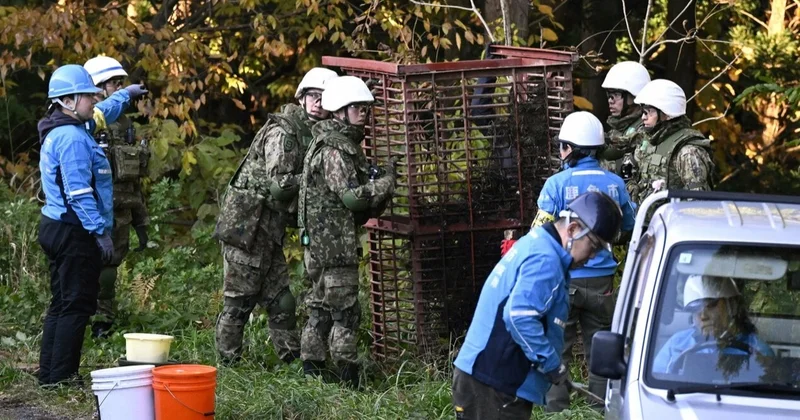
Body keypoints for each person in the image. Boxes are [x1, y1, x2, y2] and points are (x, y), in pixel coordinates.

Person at [452, 191, 623, 419]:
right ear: (572, 230)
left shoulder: (538, 243)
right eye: (593, 246)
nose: (593, 257)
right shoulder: (546, 259)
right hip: (494, 383)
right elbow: (519, 317)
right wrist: (552, 364)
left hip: (487, 378)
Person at [214, 67, 338, 364]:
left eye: (324, 97)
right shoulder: (285, 131)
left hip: (268, 229)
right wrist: (315, 178)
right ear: (302, 97)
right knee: (239, 300)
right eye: (313, 96)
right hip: (248, 226)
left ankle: (291, 361)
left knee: (281, 300)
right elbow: (280, 185)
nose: (318, 103)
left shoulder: (316, 132)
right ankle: (228, 365)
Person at [533, 112, 636, 412]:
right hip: (603, 281)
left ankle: (557, 410)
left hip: (565, 278)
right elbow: (628, 226)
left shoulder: (555, 184)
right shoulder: (616, 184)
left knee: (557, 344)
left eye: (563, 145)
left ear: (570, 149)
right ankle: (599, 409)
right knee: (600, 349)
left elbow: (540, 232)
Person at [298, 75, 396, 387]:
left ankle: (313, 374)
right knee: (344, 313)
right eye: (357, 108)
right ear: (340, 111)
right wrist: (385, 183)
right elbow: (352, 198)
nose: (363, 113)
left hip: (320, 243)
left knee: (322, 308)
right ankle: (347, 381)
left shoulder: (329, 141)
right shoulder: (335, 149)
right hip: (333, 246)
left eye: (365, 108)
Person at [37, 65, 114, 385]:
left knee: (62, 302)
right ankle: (62, 377)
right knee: (78, 304)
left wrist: (124, 94)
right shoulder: (71, 138)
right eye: (88, 97)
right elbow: (79, 192)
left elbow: (105, 110)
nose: (94, 102)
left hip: (57, 225)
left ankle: (49, 373)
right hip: (74, 230)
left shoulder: (66, 128)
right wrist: (100, 232)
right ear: (68, 100)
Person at [82, 56, 150, 338]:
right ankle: (78, 318)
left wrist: (141, 222)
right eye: (115, 83)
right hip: (91, 211)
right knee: (87, 270)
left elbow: (133, 179)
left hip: (121, 211)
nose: (121, 88)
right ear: (97, 87)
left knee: (109, 272)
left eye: (123, 83)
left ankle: (102, 323)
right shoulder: (88, 120)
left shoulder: (124, 125)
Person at [653, 275, 774, 374]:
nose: (703, 316)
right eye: (695, 310)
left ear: (732, 305)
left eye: (710, 306)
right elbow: (656, 387)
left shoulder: (757, 349)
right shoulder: (676, 343)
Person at [630, 79, 715, 204]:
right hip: (645, 220)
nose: (643, 117)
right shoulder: (650, 141)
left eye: (649, 112)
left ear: (666, 114)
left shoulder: (688, 152)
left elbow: (697, 203)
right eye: (643, 112)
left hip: (672, 222)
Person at [599, 61, 651, 180]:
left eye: (616, 94)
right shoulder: (622, 125)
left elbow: (629, 169)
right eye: (609, 95)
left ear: (634, 96)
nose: (610, 100)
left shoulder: (644, 128)